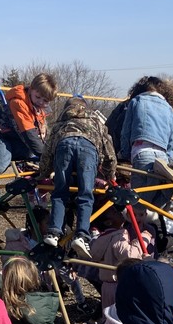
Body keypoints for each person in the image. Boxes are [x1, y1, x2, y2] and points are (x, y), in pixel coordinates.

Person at [39, 97, 117, 259]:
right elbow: (108, 149)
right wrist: (110, 174)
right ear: (85, 108)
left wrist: (43, 173)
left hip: (64, 146)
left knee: (60, 193)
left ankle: (53, 233)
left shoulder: (60, 123)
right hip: (88, 148)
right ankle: (81, 235)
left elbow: (47, 153)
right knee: (85, 194)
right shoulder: (95, 121)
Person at [119, 75, 173, 212]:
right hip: (162, 155)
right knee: (157, 200)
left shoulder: (137, 101)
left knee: (138, 201)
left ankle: (138, 229)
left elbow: (126, 130)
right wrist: (170, 158)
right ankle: (168, 178)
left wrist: (124, 153)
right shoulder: (169, 108)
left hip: (142, 151)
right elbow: (172, 137)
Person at [89, 206, 153, 309]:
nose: (119, 212)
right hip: (118, 285)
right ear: (108, 222)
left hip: (106, 286)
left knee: (108, 315)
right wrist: (144, 239)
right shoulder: (117, 236)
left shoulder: (102, 238)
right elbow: (129, 256)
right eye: (114, 213)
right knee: (120, 316)